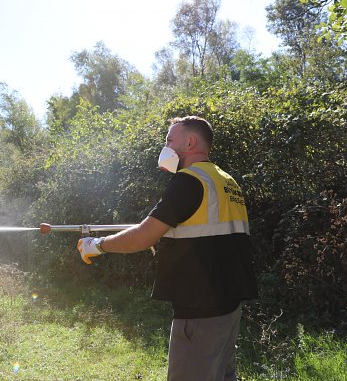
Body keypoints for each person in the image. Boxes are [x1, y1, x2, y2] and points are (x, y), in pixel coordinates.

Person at [77, 116, 258, 381]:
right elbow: (206, 232)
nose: (166, 147)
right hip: (228, 307)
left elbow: (143, 237)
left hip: (199, 311)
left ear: (190, 142)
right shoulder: (226, 181)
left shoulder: (188, 181)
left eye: (169, 140)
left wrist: (98, 245)